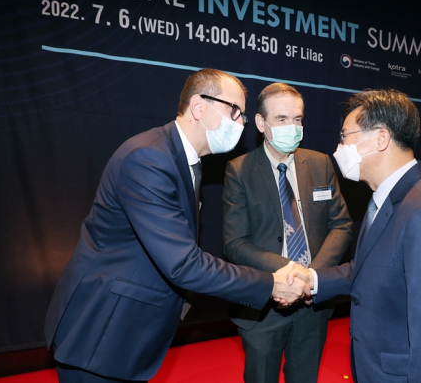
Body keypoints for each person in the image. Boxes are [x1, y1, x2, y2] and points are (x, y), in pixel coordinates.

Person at [44, 69, 309, 383]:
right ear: (199, 106)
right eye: (233, 111)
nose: (240, 123)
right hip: (101, 331)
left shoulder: (184, 160)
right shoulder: (149, 159)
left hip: (126, 331)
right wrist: (271, 283)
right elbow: (183, 263)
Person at [290, 89, 421, 383]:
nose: (340, 146)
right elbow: (371, 269)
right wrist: (311, 280)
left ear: (380, 138)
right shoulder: (386, 197)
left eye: (345, 136)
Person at [222, 83, 353, 383]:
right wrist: (290, 271)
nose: (292, 127)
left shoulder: (320, 163)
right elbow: (235, 244)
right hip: (264, 304)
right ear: (261, 123)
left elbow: (341, 225)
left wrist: (310, 277)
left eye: (298, 119)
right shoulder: (239, 170)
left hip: (312, 304)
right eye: (282, 119)